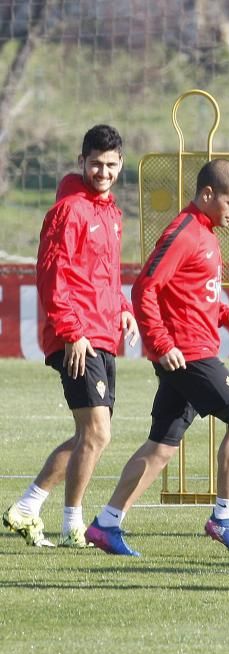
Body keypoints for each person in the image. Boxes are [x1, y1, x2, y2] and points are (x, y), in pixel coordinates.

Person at [84, 159, 229, 558]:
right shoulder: (184, 232)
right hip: (187, 356)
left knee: (161, 447)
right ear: (208, 195)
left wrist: (226, 315)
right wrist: (162, 345)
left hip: (193, 349)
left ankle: (106, 524)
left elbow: (190, 296)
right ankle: (224, 517)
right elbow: (145, 287)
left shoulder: (208, 234)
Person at [3, 125, 138, 549]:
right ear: (81, 162)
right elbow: (53, 277)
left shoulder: (110, 213)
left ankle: (28, 508)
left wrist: (125, 309)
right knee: (97, 432)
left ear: (120, 166)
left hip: (102, 332)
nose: (103, 171)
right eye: (95, 163)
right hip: (76, 336)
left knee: (91, 435)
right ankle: (73, 523)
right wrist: (72, 332)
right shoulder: (69, 210)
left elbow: (103, 277)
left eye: (111, 165)